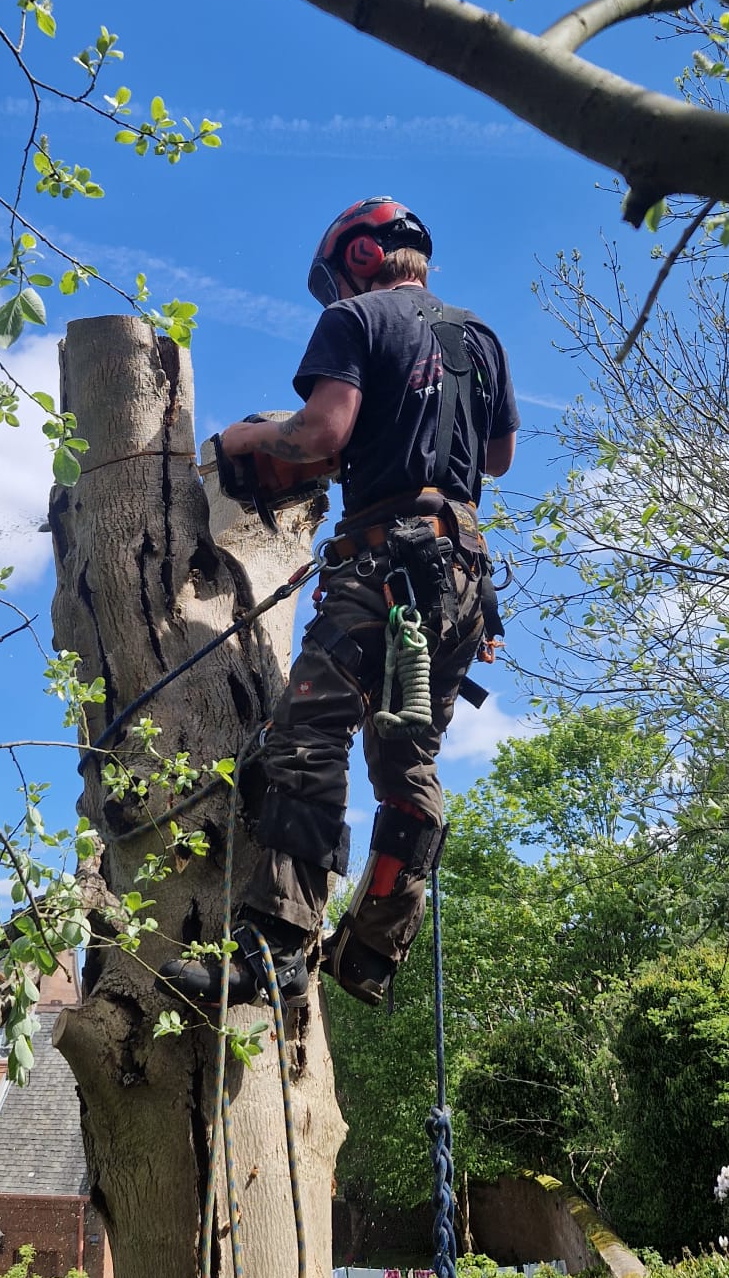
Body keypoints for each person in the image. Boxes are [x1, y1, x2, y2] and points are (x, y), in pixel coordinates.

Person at [161, 197, 518, 1010]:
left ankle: (274, 946)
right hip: (461, 579)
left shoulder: (357, 318)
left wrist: (247, 443)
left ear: (358, 256)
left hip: (383, 564)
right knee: (407, 764)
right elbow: (495, 458)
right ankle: (369, 953)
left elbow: (321, 436)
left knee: (308, 733)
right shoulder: (481, 337)